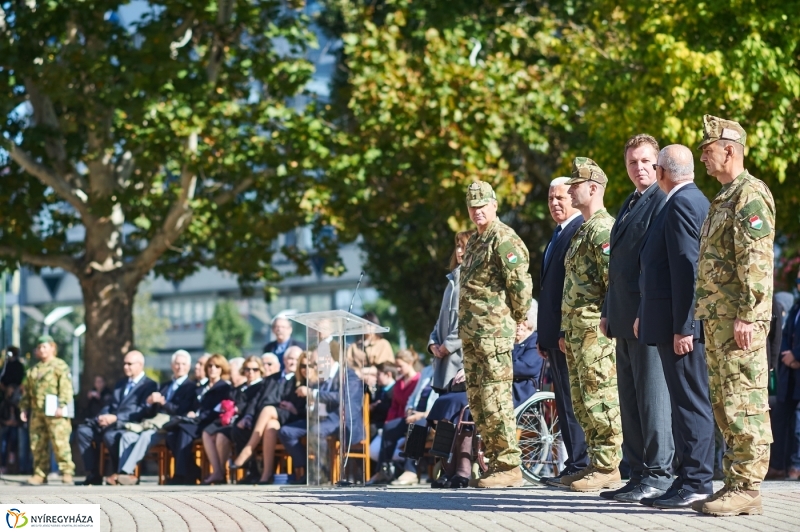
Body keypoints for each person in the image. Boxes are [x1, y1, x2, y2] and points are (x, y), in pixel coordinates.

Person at [694, 114, 776, 516]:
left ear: (730, 149)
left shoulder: (749, 195)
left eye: (708, 151)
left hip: (738, 320)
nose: (704, 159)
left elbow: (756, 261)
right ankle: (734, 482)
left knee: (744, 400)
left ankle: (748, 485)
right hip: (718, 318)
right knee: (725, 401)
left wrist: (748, 314)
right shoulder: (725, 197)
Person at [636, 144, 714, 509]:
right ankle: (687, 478)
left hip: (680, 326)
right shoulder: (689, 199)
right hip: (673, 322)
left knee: (689, 403)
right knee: (683, 403)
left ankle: (697, 481)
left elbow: (687, 268)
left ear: (663, 172)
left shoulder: (683, 203)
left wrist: (685, 326)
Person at [599, 133, 672, 503]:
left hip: (647, 318)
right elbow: (619, 267)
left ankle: (659, 474)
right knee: (629, 398)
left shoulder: (661, 201)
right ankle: (638, 471)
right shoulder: (630, 203)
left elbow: (655, 266)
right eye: (633, 162)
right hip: (623, 317)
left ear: (657, 162)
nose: (639, 168)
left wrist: (647, 310)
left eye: (645, 161)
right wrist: (607, 311)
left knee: (652, 397)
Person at [459, 180, 532, 488]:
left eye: (482, 205)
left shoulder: (503, 238)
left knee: (495, 400)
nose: (478, 211)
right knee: (477, 402)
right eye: (473, 207)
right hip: (472, 334)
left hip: (493, 334)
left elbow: (520, 284)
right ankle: (495, 462)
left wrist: (517, 319)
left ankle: (509, 465)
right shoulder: (476, 241)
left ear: (494, 205)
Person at [559, 157, 622, 492]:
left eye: (575, 185)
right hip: (576, 331)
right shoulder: (583, 228)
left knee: (600, 395)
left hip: (593, 331)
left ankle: (609, 465)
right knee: (583, 399)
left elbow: (615, 280)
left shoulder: (601, 228)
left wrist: (605, 322)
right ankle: (596, 463)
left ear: (593, 188)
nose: (570, 190)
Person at [538, 177, 589, 488]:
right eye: (551, 199)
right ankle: (573, 462)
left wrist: (560, 331)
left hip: (568, 335)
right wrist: (544, 337)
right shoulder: (557, 234)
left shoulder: (577, 230)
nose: (555, 203)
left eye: (561, 197)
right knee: (564, 402)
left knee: (574, 402)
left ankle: (582, 462)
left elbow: (571, 290)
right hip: (554, 338)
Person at [277, 347, 363, 484]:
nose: (314, 367)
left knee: (316, 431)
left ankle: (322, 474)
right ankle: (308, 470)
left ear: (327, 360)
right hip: (318, 418)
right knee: (286, 432)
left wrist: (313, 393)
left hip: (339, 419)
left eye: (315, 364)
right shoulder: (324, 376)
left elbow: (341, 398)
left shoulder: (348, 375)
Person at [114, 349, 196, 485]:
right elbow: (152, 411)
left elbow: (182, 410)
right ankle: (124, 475)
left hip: (170, 426)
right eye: (177, 363)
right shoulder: (164, 386)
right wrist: (150, 402)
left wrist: (164, 402)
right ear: (172, 365)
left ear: (188, 366)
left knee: (146, 436)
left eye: (183, 364)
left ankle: (125, 473)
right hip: (153, 422)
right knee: (127, 437)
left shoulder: (191, 387)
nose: (180, 367)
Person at [76, 350, 157, 485]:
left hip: (128, 425)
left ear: (140, 364)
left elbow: (142, 410)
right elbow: (111, 404)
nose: (125, 367)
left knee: (111, 436)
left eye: (129, 364)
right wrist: (102, 416)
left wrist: (116, 418)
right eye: (124, 364)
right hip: (110, 423)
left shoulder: (149, 385)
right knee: (83, 431)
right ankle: (94, 473)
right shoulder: (120, 384)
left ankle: (119, 473)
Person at [231, 353, 306, 484]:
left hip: (290, 417)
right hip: (269, 419)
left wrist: (294, 409)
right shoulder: (271, 378)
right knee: (271, 426)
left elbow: (302, 407)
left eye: (295, 359)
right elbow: (255, 400)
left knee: (268, 409)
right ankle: (266, 475)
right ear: (284, 360)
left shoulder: (300, 379)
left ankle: (248, 449)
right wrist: (248, 416)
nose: (293, 361)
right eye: (290, 358)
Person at [165, 354, 231, 484]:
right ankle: (192, 470)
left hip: (209, 423)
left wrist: (198, 416)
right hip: (195, 421)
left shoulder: (224, 387)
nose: (212, 369)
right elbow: (194, 405)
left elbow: (217, 410)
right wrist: (191, 412)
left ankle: (181, 475)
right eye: (210, 366)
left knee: (183, 430)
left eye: (216, 366)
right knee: (172, 435)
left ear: (222, 369)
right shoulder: (201, 387)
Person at [18, 336, 75, 485]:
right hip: (38, 413)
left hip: (55, 412)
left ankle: (66, 472)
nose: (42, 350)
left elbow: (66, 388)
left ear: (52, 348)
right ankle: (40, 473)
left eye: (45, 347)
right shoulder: (34, 370)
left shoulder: (60, 366)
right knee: (37, 444)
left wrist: (62, 405)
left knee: (60, 442)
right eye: (40, 347)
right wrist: (24, 408)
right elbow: (27, 392)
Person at [202, 355, 266, 485]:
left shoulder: (261, 386)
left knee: (233, 432)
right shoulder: (241, 387)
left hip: (251, 423)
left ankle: (251, 470)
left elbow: (254, 404)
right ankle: (219, 472)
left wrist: (238, 409)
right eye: (247, 369)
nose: (250, 372)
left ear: (260, 371)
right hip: (234, 421)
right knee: (213, 433)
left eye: (254, 369)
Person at [429, 230, 474, 393]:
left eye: (464, 247)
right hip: (443, 363)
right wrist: (432, 342)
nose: (459, 251)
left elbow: (470, 320)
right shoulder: (451, 281)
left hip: (461, 363)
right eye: (457, 246)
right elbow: (441, 319)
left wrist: (447, 346)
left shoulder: (474, 281)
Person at [767, 270, 800, 480]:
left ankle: (796, 466)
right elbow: (786, 334)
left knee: (798, 424)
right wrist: (789, 355)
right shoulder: (796, 308)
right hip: (791, 376)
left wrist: (797, 356)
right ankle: (778, 465)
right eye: (798, 281)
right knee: (779, 420)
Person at [512, 301, 542, 408]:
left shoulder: (535, 340)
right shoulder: (513, 340)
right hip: (507, 384)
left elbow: (526, 366)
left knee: (463, 400)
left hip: (521, 388)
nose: (518, 324)